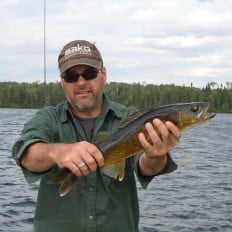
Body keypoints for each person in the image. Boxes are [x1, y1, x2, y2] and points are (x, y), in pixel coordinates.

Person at [12, 40, 181, 232]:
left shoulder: (130, 118)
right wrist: (57, 152)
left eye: (90, 73)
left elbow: (146, 167)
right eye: (71, 76)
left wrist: (156, 155)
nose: (81, 82)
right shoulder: (48, 118)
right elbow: (26, 155)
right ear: (62, 81)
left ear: (104, 74)